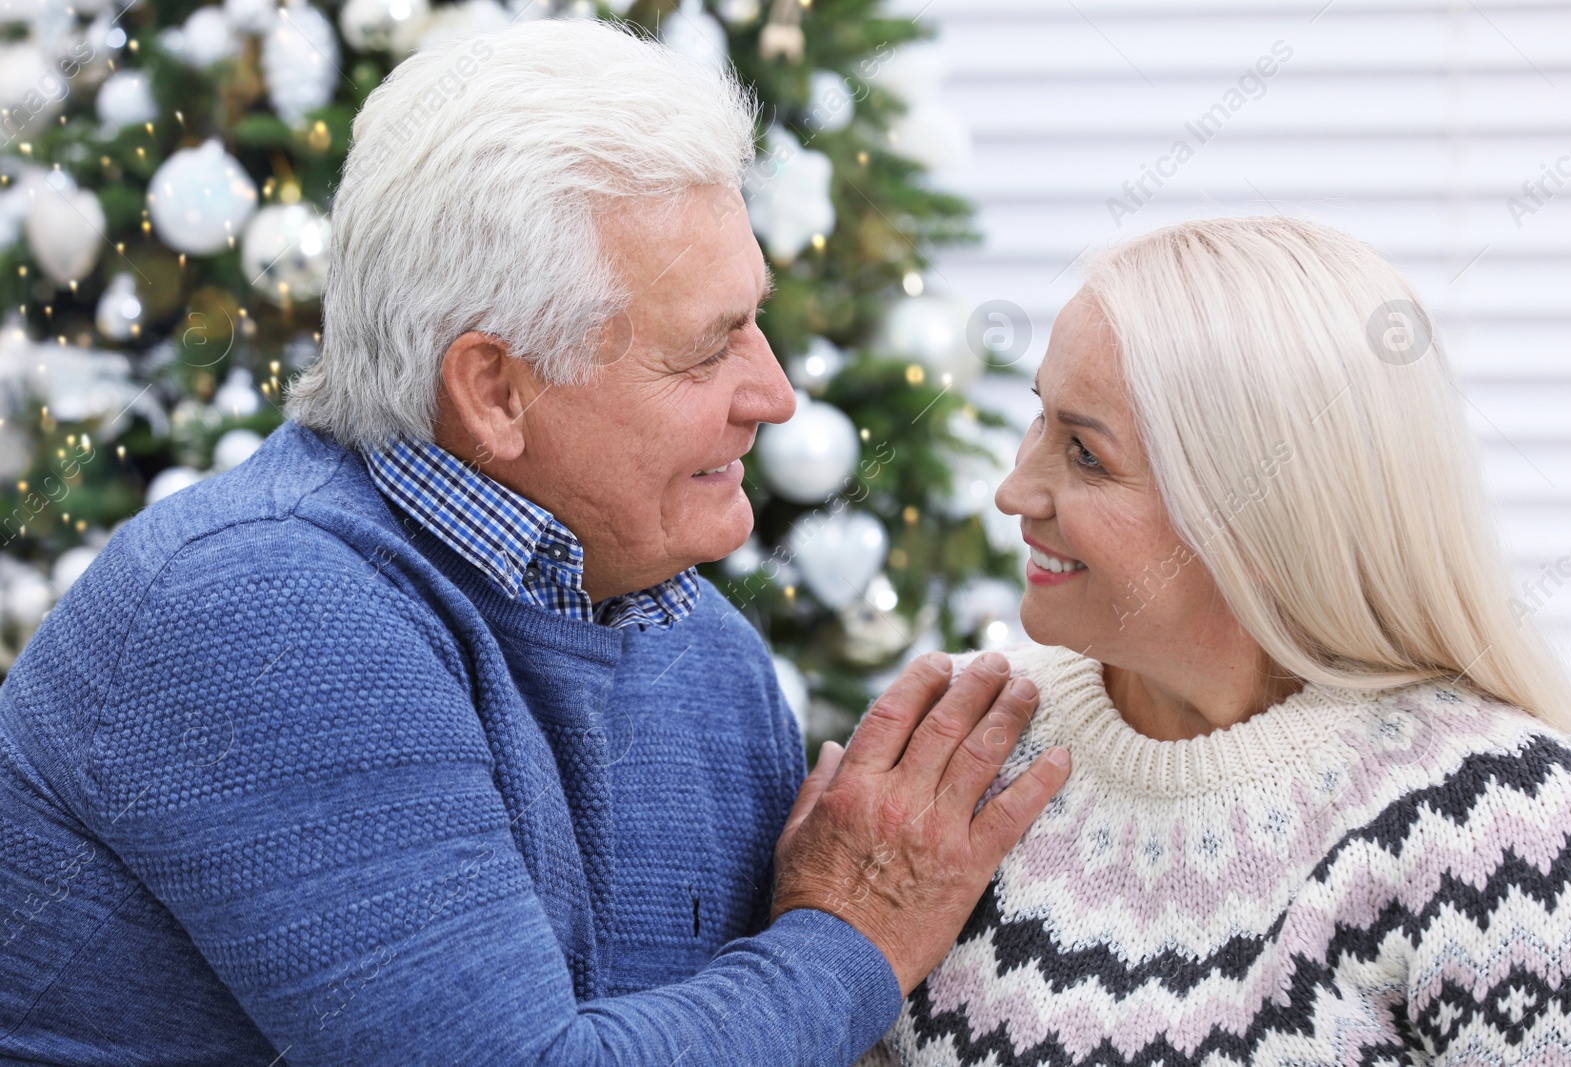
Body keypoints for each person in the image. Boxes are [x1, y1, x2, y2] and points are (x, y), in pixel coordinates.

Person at [0, 20, 1073, 1065]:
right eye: (706, 352)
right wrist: (850, 940)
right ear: (494, 390)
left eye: (756, 321)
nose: (775, 395)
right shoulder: (260, 606)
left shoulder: (710, 657)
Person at [870, 216, 1571, 1066]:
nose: (1014, 489)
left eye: (1086, 454)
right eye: (1040, 420)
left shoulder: (1499, 825)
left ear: (1255, 518)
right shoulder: (957, 737)